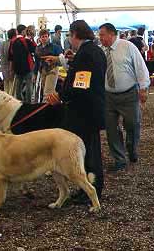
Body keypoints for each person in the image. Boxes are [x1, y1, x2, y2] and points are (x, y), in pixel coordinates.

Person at [43, 19, 106, 205]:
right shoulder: (93, 51)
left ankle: (91, 189)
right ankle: (88, 187)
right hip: (91, 110)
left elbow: (81, 84)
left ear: (75, 34)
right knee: (89, 150)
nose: (69, 39)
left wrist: (60, 95)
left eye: (70, 35)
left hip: (83, 112)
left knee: (88, 153)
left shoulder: (86, 54)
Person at [99, 23, 150, 172]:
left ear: (111, 34)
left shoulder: (127, 47)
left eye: (102, 35)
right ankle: (119, 159)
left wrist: (143, 88)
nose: (100, 38)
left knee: (133, 124)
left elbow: (140, 67)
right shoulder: (101, 51)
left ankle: (131, 147)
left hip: (129, 94)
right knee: (111, 129)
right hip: (108, 96)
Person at [34, 29, 62, 101]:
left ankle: (45, 108)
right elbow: (37, 62)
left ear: (48, 37)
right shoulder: (37, 48)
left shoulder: (55, 47)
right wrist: (35, 74)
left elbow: (61, 58)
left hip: (52, 69)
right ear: (39, 38)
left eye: (46, 36)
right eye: (42, 37)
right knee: (48, 91)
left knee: (47, 92)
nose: (44, 38)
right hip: (42, 71)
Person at [11, 24, 36, 103]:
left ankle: (20, 101)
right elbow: (35, 49)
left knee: (18, 86)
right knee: (29, 85)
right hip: (27, 66)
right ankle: (28, 103)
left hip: (17, 68)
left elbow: (10, 55)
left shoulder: (12, 41)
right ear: (23, 31)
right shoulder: (26, 40)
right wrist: (32, 38)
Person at [0, 28, 16, 94]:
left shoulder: (1, 44)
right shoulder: (13, 43)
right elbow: (11, 57)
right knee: (12, 87)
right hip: (10, 67)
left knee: (6, 86)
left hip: (3, 67)